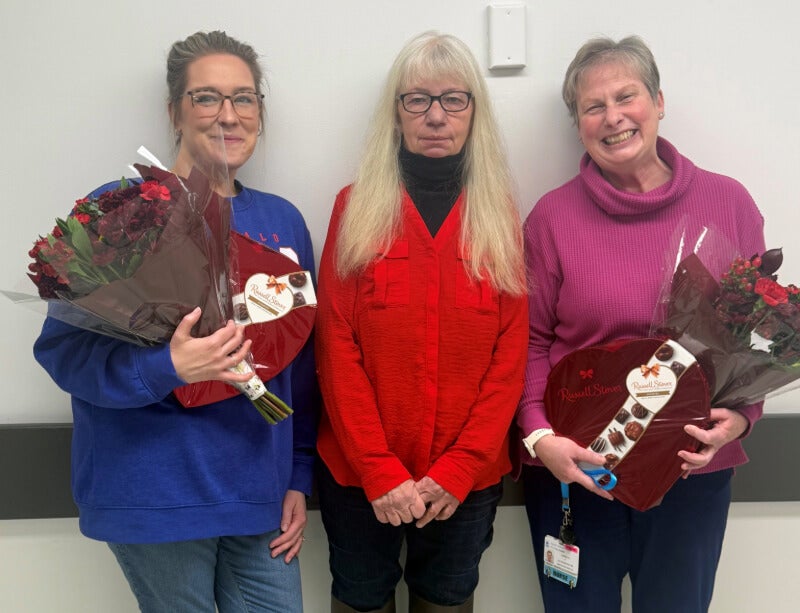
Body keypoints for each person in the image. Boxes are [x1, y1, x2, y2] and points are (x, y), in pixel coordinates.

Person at [33, 31, 316, 613]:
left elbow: (302, 365)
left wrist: (298, 475)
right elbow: (62, 353)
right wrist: (168, 366)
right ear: (174, 112)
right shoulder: (124, 210)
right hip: (154, 490)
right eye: (206, 98)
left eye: (244, 98)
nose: (228, 116)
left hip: (257, 494)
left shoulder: (282, 221)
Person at [516, 36, 765, 613]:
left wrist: (743, 420)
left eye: (626, 96)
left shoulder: (728, 203)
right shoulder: (551, 219)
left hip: (689, 470)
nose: (613, 117)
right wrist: (539, 436)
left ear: (658, 102)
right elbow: (527, 343)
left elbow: (752, 335)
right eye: (592, 107)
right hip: (574, 470)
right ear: (577, 124)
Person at [315, 31, 528, 613]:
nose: (436, 116)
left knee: (448, 599)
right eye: (418, 100)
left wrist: (460, 468)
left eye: (453, 99)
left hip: (465, 478)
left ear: (473, 113)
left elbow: (510, 356)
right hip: (360, 477)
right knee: (360, 598)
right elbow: (335, 344)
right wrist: (379, 470)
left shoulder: (500, 216)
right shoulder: (353, 208)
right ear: (397, 113)